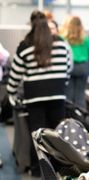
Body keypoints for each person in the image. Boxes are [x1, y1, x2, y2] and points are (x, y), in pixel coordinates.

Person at [6, 10, 72, 176]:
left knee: (37, 134)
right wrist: (61, 85)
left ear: (31, 25)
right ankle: (58, 168)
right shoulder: (61, 43)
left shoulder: (25, 45)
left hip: (34, 98)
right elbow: (68, 67)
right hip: (57, 96)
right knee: (57, 134)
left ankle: (38, 170)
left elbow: (15, 74)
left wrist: (11, 93)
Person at [60, 15, 89, 109]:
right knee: (80, 96)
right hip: (83, 67)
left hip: (69, 67)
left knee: (68, 96)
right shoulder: (86, 39)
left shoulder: (63, 38)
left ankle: (68, 120)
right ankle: (80, 121)